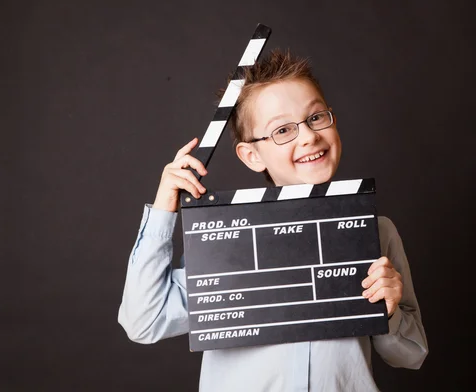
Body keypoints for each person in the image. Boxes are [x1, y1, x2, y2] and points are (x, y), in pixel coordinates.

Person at [118, 49, 428, 391]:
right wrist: (164, 209)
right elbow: (144, 321)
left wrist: (389, 312)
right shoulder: (223, 242)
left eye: (316, 117)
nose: (308, 136)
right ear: (252, 155)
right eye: (282, 130)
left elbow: (411, 354)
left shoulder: (376, 231)